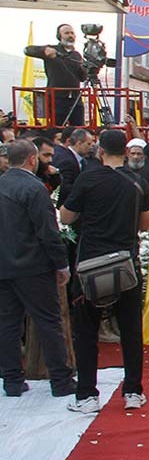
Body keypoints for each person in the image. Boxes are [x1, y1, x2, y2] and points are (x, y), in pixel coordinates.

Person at [61, 130, 149, 413]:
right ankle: (133, 391)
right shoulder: (136, 181)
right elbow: (145, 224)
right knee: (131, 329)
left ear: (100, 151)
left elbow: (66, 217)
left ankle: (87, 395)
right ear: (125, 152)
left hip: (90, 263)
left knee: (86, 330)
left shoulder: (88, 178)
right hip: (126, 262)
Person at [0, 139, 75, 398]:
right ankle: (61, 380)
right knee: (48, 322)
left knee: (8, 324)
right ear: (32, 159)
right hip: (33, 267)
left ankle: (11, 379)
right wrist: (61, 264)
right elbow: (47, 231)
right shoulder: (33, 188)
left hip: (5, 265)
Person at [24, 25, 86, 126]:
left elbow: (82, 78)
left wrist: (88, 68)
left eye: (72, 33)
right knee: (56, 130)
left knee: (79, 130)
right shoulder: (52, 49)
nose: (70, 35)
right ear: (59, 36)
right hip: (57, 99)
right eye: (66, 33)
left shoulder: (77, 55)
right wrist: (44, 50)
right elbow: (27, 50)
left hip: (75, 99)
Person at [52, 128, 95, 205]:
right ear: (79, 143)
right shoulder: (67, 160)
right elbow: (64, 186)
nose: (91, 147)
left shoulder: (82, 160)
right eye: (88, 144)